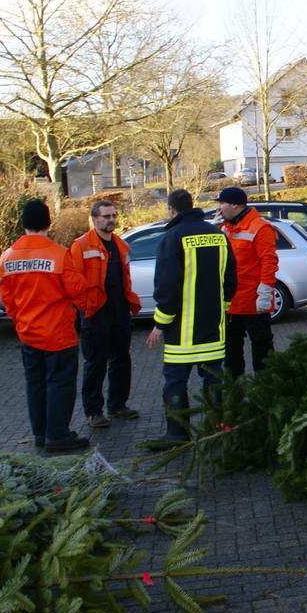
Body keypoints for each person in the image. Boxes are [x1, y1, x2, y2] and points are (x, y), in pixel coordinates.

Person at [0, 199, 90, 453]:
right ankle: (57, 435)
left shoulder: (7, 257)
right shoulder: (58, 254)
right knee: (60, 384)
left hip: (28, 334)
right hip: (58, 335)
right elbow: (77, 290)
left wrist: (21, 321)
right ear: (48, 223)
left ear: (23, 224)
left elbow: (7, 299)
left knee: (35, 384)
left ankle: (40, 433)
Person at [146, 189, 236, 442]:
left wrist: (160, 324)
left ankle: (177, 432)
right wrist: (223, 308)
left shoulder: (172, 237)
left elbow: (167, 287)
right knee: (214, 379)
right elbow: (230, 279)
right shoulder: (218, 235)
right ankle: (217, 428)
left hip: (182, 332)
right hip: (214, 328)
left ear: (172, 209)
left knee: (175, 381)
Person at [71, 200, 141, 429]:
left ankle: (118, 405)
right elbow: (74, 283)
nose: (111, 220)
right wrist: (85, 309)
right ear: (94, 219)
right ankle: (93, 412)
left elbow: (125, 277)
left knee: (121, 359)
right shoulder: (81, 246)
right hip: (95, 313)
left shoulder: (120, 245)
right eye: (106, 216)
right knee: (95, 363)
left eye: (113, 215)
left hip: (119, 310)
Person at [216, 187, 278, 377]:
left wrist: (265, 293)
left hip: (253, 302)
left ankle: (265, 386)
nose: (219, 208)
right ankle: (235, 388)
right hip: (232, 303)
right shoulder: (226, 227)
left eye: (222, 203)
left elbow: (269, 262)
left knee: (262, 349)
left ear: (234, 205)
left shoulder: (260, 227)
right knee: (231, 351)